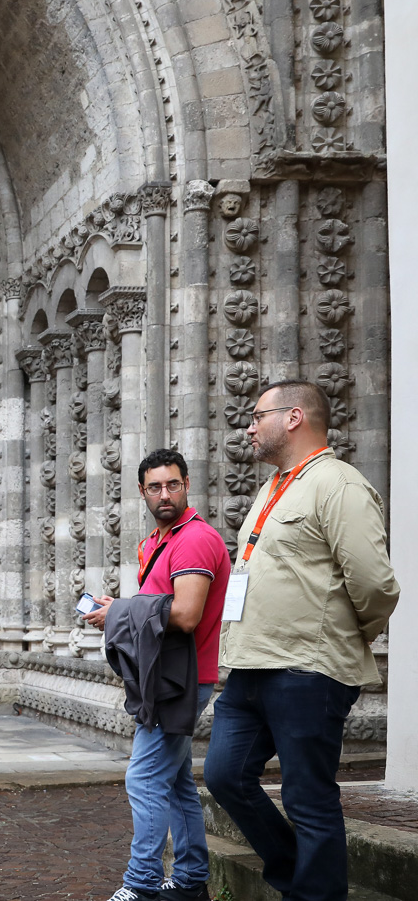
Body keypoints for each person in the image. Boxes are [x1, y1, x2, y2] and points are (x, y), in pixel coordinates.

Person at [204, 380, 399, 901]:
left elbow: (376, 585)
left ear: (293, 418)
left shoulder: (340, 485)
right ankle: (298, 877)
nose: (248, 426)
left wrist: (340, 636)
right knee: (224, 775)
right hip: (250, 665)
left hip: (307, 670)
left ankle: (315, 893)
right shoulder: (273, 487)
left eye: (257, 415)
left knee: (308, 797)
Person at [85, 448, 231, 901]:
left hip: (183, 679)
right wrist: (120, 610)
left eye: (172, 484)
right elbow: (157, 609)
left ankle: (141, 885)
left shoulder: (193, 540)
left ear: (187, 484)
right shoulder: (158, 540)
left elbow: (185, 615)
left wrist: (120, 610)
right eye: (154, 487)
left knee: (144, 779)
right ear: (142, 492)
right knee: (175, 781)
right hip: (166, 676)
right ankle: (189, 881)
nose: (164, 494)